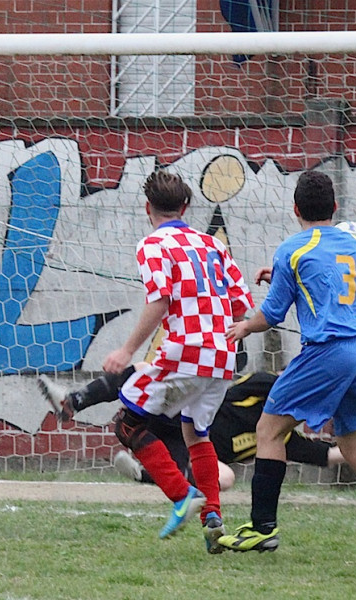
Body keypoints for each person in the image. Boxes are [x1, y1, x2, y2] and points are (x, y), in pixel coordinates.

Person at [216, 170, 356, 568]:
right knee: (353, 446)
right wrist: (281, 277)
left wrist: (245, 324)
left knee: (268, 429)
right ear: (334, 208)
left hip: (329, 352)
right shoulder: (353, 247)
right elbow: (325, 281)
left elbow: (273, 313)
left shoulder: (292, 249)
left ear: (295, 209)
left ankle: (262, 528)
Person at [101, 169, 254, 554]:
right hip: (223, 356)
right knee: (195, 433)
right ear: (186, 207)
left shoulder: (152, 245)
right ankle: (213, 519)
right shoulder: (212, 245)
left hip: (185, 350)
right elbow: (242, 306)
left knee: (126, 423)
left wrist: (127, 351)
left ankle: (181, 495)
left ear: (147, 207)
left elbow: (160, 299)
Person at [38, 369, 356, 489]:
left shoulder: (283, 437)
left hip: (188, 451)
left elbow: (332, 455)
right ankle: (74, 401)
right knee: (143, 368)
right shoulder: (267, 388)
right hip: (180, 418)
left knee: (227, 478)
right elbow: (225, 385)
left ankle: (147, 474)